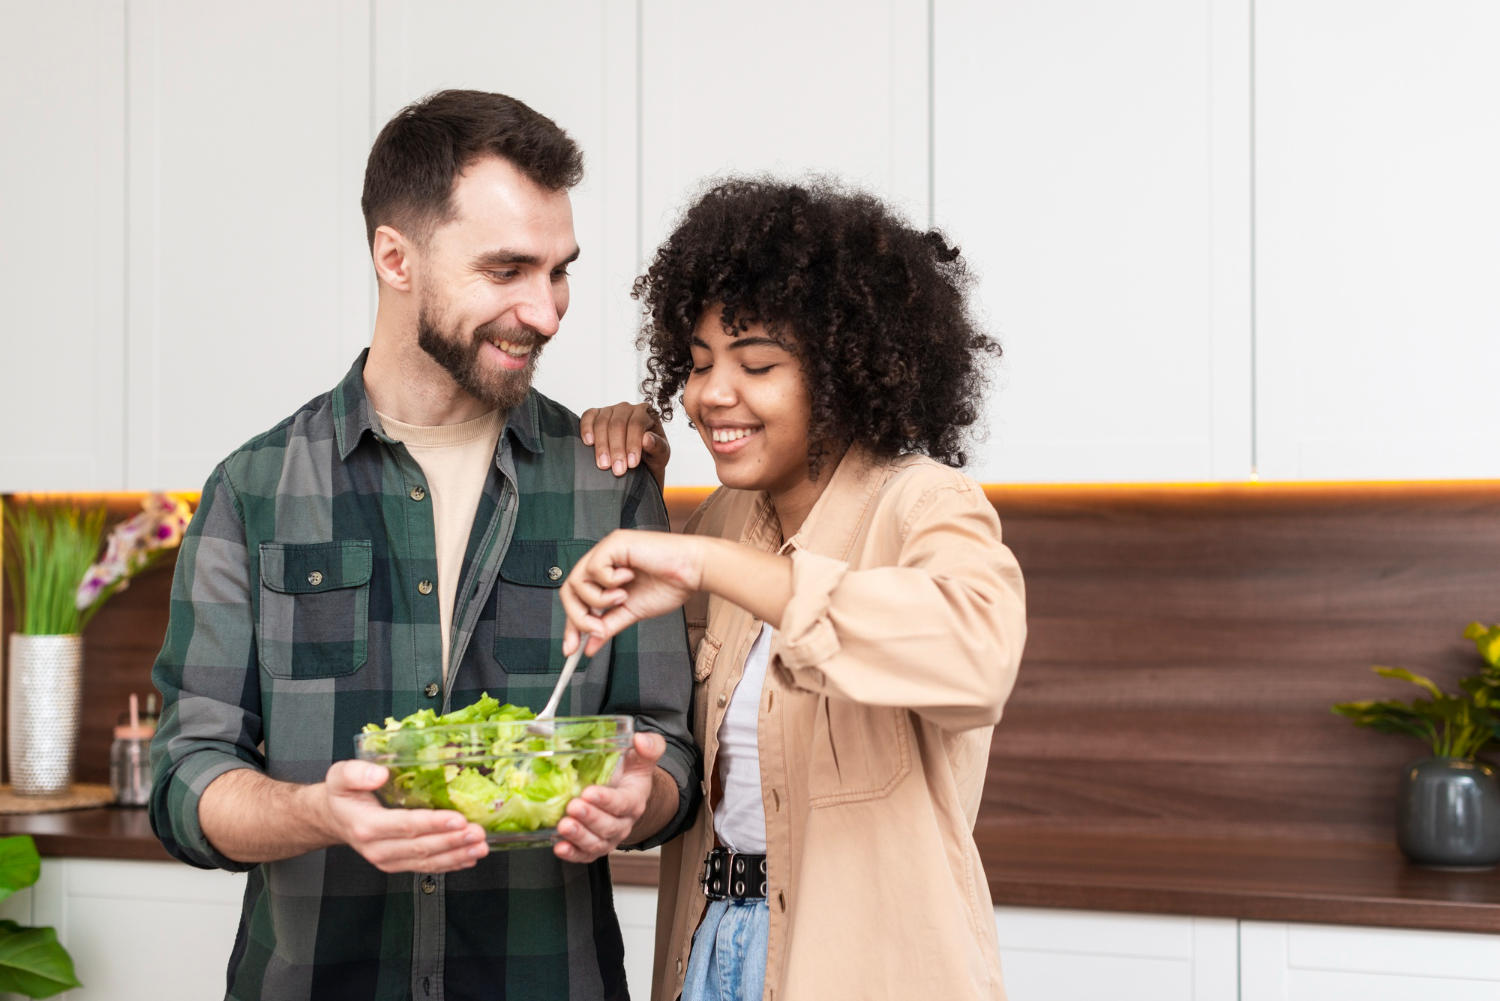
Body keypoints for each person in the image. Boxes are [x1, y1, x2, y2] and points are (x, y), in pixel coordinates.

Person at [148, 90, 700, 1001]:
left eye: (559, 271)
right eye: (507, 269)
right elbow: (186, 773)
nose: (547, 311)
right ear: (394, 257)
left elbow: (667, 745)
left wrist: (639, 800)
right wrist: (318, 813)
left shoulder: (608, 482)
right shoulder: (255, 490)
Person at [563, 178, 1027, 1001]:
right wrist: (630, 480)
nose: (711, 393)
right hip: (708, 946)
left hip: (861, 968)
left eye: (757, 364)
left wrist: (708, 566)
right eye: (698, 363)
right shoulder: (722, 519)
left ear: (844, 371)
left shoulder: (924, 503)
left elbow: (977, 659)